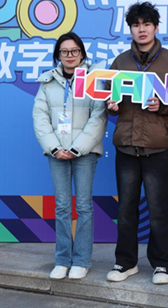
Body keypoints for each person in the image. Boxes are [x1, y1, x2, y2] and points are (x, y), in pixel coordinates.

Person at [105, 2, 168, 285]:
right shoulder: (120, 62)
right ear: (130, 29)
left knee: (159, 210)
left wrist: (162, 105)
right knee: (125, 210)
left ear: (155, 27)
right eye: (136, 24)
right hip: (126, 147)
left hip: (158, 147)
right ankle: (125, 262)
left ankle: (162, 264)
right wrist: (111, 106)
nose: (142, 29)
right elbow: (106, 97)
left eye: (147, 24)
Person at [33, 32, 107, 280]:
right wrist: (55, 148)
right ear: (58, 55)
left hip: (84, 153)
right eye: (64, 51)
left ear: (82, 53)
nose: (70, 55)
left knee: (84, 206)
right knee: (62, 206)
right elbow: (40, 117)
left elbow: (99, 116)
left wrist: (77, 148)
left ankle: (82, 260)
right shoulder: (47, 82)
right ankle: (62, 259)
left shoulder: (93, 80)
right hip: (57, 153)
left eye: (74, 51)